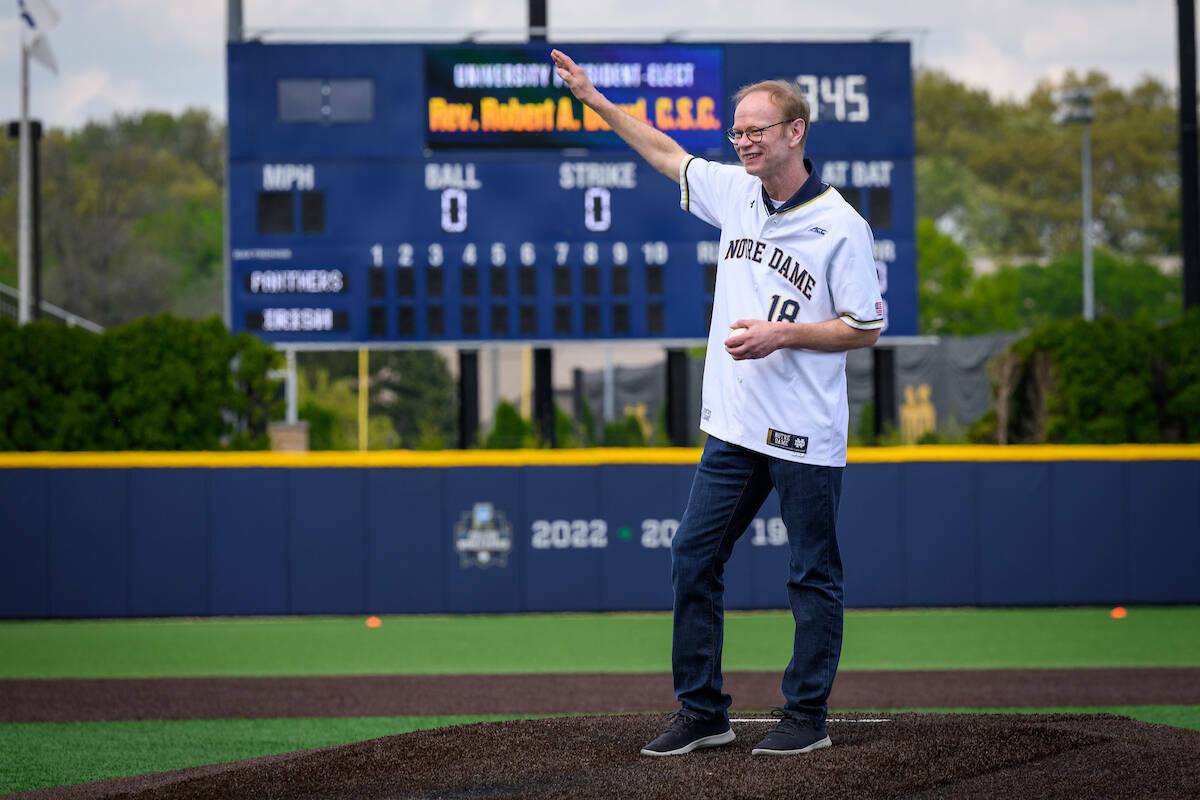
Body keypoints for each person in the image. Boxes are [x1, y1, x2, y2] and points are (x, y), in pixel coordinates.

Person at [550, 50, 884, 757]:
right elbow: (666, 151)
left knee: (811, 574)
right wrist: (594, 100)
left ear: (797, 132)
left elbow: (868, 325)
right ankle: (703, 712)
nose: (744, 142)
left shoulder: (841, 226)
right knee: (692, 559)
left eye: (757, 130)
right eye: (737, 132)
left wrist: (784, 333)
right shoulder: (735, 193)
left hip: (802, 432)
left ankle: (806, 718)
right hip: (734, 428)